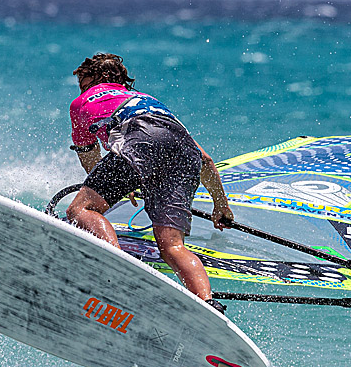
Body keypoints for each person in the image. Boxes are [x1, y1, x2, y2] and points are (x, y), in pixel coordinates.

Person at [64, 53, 233, 314]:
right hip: (184, 152)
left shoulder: (81, 102)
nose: (83, 90)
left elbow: (90, 158)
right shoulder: (150, 101)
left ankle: (118, 265)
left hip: (138, 140)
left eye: (85, 83)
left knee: (80, 210)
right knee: (172, 246)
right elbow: (205, 160)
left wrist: (120, 182)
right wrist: (220, 205)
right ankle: (207, 303)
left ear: (103, 78)